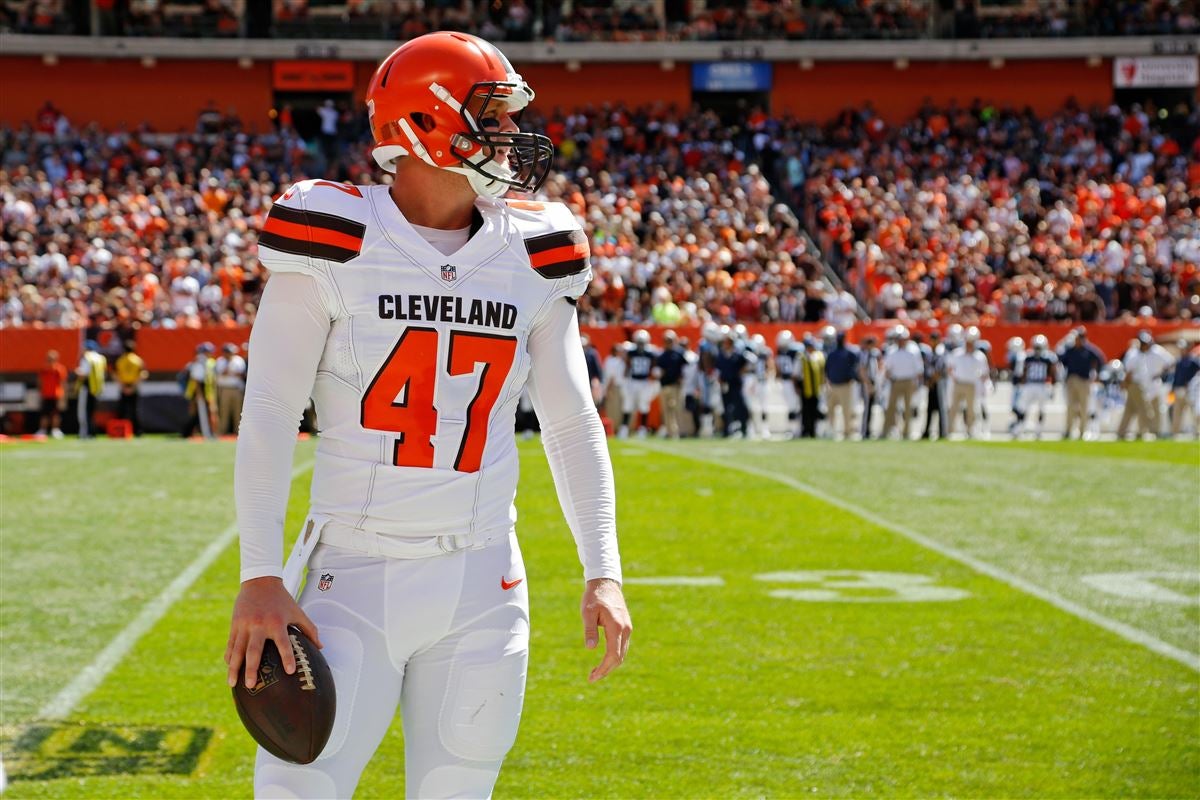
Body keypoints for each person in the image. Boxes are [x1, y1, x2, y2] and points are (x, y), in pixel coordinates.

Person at [224, 33, 630, 800]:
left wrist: (602, 568)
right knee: (294, 791)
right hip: (355, 569)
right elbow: (272, 411)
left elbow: (572, 420)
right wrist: (260, 574)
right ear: (426, 121)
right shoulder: (333, 235)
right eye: (493, 116)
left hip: (485, 579)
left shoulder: (536, 248)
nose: (511, 137)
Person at [1118, 331, 1173, 440]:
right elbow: (1129, 373)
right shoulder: (1134, 353)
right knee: (1144, 409)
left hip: (1148, 385)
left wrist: (1160, 374)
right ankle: (1147, 431)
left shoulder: (1152, 351)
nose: (1145, 345)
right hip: (1135, 385)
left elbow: (1170, 362)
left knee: (1131, 409)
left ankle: (1122, 431)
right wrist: (1124, 384)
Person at [1059, 328, 1105, 440]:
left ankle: (1082, 431)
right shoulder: (1069, 350)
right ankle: (1068, 430)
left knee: (1084, 407)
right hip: (1071, 380)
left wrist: (1097, 374)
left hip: (1084, 381)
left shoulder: (1089, 350)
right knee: (1070, 406)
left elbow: (1100, 360)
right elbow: (1060, 359)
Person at [881, 326, 922, 440]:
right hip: (896, 381)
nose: (900, 341)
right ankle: (886, 431)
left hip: (909, 381)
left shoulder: (913, 351)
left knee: (908, 408)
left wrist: (916, 384)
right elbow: (887, 369)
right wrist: (888, 380)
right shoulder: (892, 351)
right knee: (891, 408)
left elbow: (919, 370)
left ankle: (906, 432)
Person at [947, 329, 989, 438]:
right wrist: (954, 378)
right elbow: (950, 368)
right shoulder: (957, 353)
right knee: (953, 408)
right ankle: (950, 430)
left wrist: (981, 385)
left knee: (971, 410)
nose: (970, 343)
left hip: (971, 384)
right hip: (959, 383)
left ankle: (970, 430)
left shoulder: (979, 356)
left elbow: (984, 373)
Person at [1014, 334, 1057, 439]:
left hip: (1041, 385)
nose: (1037, 349)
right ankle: (1020, 428)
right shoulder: (1028, 357)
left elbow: (1052, 373)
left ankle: (1038, 430)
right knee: (1023, 408)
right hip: (1030, 384)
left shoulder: (1048, 358)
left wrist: (1052, 387)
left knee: (1041, 409)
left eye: (1039, 347)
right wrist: (1022, 385)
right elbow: (1023, 372)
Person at [622, 329, 658, 438]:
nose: (641, 345)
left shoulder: (650, 353)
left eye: (642, 342)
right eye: (639, 342)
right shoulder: (631, 352)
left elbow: (653, 366)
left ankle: (642, 429)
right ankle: (624, 428)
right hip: (633, 381)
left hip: (644, 382)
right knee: (628, 405)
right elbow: (627, 364)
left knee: (644, 406)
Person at [823, 330, 858, 440]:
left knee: (846, 410)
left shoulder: (849, 353)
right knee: (830, 410)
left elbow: (855, 367)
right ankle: (831, 431)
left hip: (845, 385)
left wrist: (851, 378)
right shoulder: (832, 354)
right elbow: (827, 369)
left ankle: (847, 432)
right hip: (833, 385)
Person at [656, 329, 687, 439]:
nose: (668, 342)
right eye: (666, 340)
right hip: (664, 385)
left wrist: (682, 379)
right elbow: (658, 370)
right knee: (666, 410)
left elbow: (685, 368)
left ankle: (681, 431)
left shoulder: (679, 353)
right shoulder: (661, 355)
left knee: (678, 409)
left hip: (676, 386)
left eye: (670, 340)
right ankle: (670, 432)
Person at [114, 340, 148, 436]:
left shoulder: (120, 360)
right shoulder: (138, 360)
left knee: (122, 410)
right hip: (134, 386)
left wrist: (123, 387)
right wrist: (133, 386)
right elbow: (143, 374)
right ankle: (137, 431)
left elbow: (115, 374)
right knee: (135, 410)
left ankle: (119, 431)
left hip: (123, 386)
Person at [184, 342, 217, 439]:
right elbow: (197, 380)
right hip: (199, 393)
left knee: (205, 413)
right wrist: (198, 394)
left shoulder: (208, 362)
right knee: (196, 413)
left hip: (206, 392)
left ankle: (204, 432)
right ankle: (188, 432)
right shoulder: (199, 362)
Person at [75, 340, 107, 439]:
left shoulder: (86, 357)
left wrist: (76, 372)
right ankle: (92, 432)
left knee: (83, 412)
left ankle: (85, 433)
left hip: (87, 387)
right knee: (91, 412)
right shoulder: (101, 358)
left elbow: (83, 374)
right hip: (96, 388)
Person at [1168, 340, 1199, 437]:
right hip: (1178, 390)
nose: (1182, 350)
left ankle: (1197, 431)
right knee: (1177, 412)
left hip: (1189, 390)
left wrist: (1192, 383)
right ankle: (1174, 432)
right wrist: (1172, 388)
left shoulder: (1193, 360)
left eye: (1183, 348)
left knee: (1193, 412)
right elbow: (1176, 376)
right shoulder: (1179, 361)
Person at [215, 343, 247, 436]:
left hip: (236, 389)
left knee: (238, 412)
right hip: (224, 389)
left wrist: (230, 372)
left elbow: (240, 374)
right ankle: (221, 432)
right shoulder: (220, 361)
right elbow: (222, 373)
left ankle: (239, 432)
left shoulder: (238, 360)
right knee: (224, 411)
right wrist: (230, 371)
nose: (230, 354)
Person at [796, 335, 825, 439]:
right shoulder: (801, 357)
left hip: (815, 388)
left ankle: (813, 431)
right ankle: (805, 431)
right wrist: (797, 388)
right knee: (805, 411)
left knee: (814, 410)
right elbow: (796, 375)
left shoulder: (818, 356)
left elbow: (821, 372)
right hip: (805, 388)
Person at [36, 350, 68, 438]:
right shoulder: (43, 369)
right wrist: (40, 392)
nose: (50, 360)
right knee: (44, 414)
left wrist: (63, 397)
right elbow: (40, 382)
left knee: (56, 414)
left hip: (56, 395)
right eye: (49, 358)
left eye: (52, 358)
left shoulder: (59, 369)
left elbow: (63, 383)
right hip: (46, 395)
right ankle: (42, 430)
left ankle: (55, 430)